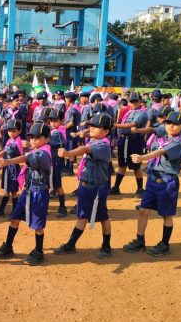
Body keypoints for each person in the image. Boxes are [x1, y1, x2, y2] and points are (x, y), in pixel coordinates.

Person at [123, 112, 181, 257]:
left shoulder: (178, 142)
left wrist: (142, 158)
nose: (171, 126)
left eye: (176, 124)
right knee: (143, 211)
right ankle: (140, 240)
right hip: (153, 179)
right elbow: (153, 134)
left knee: (166, 215)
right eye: (168, 122)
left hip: (167, 182)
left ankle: (164, 244)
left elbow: (160, 152)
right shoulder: (163, 137)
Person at [53, 113, 114, 258]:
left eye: (97, 127)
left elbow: (85, 150)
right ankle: (71, 245)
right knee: (82, 216)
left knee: (103, 216)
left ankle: (106, 246)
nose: (92, 128)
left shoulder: (103, 146)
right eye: (91, 125)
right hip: (86, 186)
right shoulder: (93, 140)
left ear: (106, 131)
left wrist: (68, 153)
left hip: (97, 188)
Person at [0, 122, 52, 266]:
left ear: (47, 139)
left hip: (39, 193)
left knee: (38, 225)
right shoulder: (35, 149)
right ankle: (8, 246)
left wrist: (8, 161)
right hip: (28, 191)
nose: (33, 140)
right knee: (15, 218)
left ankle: (39, 251)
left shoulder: (44, 153)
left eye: (38, 138)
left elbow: (25, 159)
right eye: (31, 137)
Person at [110, 92, 149, 197]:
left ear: (140, 101)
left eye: (136, 101)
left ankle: (140, 188)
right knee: (122, 164)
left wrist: (116, 125)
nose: (134, 103)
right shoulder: (129, 111)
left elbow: (132, 124)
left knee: (136, 165)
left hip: (134, 140)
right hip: (124, 139)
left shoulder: (142, 113)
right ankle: (116, 187)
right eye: (131, 101)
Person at [0, 119, 23, 217]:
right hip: (7, 167)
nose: (11, 132)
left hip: (13, 169)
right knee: (6, 190)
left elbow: (4, 152)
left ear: (19, 131)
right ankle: (1, 210)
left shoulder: (16, 142)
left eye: (14, 130)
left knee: (14, 191)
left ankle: (15, 211)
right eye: (9, 130)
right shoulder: (10, 140)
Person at [48, 109, 69, 217]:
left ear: (62, 120)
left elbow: (47, 142)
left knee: (58, 185)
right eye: (51, 120)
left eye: (56, 120)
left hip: (55, 162)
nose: (53, 123)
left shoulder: (57, 132)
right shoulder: (55, 130)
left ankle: (62, 207)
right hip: (51, 161)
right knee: (51, 184)